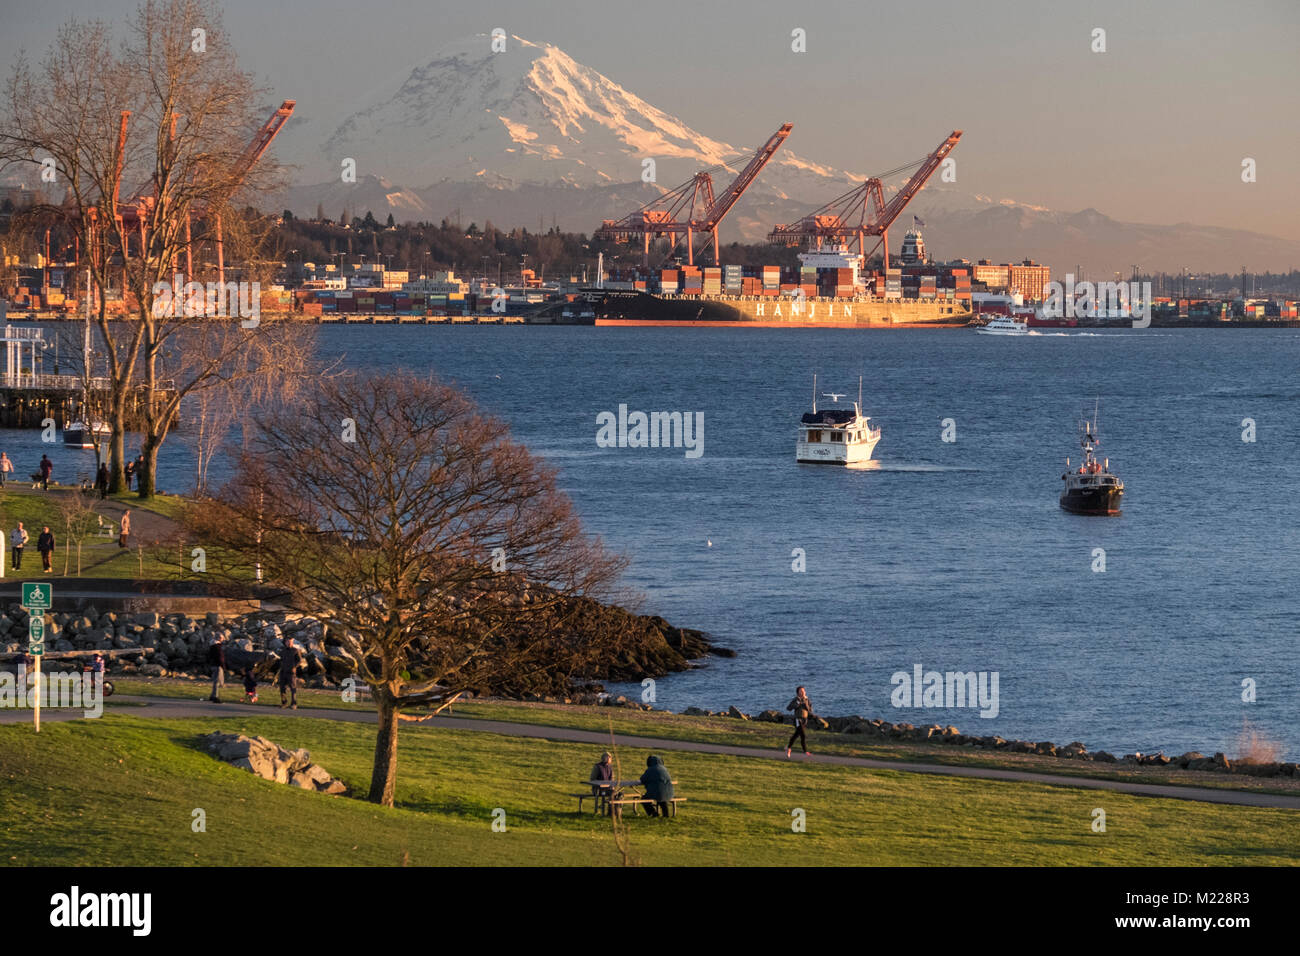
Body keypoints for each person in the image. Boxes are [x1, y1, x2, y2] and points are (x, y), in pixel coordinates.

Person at [786, 686, 813, 757]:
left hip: (805, 720)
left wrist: (805, 704)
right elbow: (788, 708)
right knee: (803, 735)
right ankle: (805, 751)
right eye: (801, 691)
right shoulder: (795, 700)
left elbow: (810, 710)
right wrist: (797, 704)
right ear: (798, 693)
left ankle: (788, 748)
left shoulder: (807, 700)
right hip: (798, 719)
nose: (803, 692)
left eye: (803, 691)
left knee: (796, 735)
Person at [278, 637, 302, 709]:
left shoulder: (296, 650)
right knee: (282, 688)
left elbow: (299, 660)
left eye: (291, 642)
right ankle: (284, 703)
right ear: (285, 642)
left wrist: (294, 667)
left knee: (293, 688)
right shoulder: (283, 651)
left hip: (291, 672)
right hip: (283, 671)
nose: (289, 643)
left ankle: (294, 704)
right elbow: (280, 659)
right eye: (288, 642)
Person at [206, 634, 226, 703]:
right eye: (223, 638)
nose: (223, 639)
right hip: (218, 665)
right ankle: (215, 696)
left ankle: (212, 696)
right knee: (217, 682)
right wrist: (223, 666)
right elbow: (220, 657)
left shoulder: (212, 646)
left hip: (213, 665)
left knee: (215, 681)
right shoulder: (217, 647)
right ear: (219, 638)